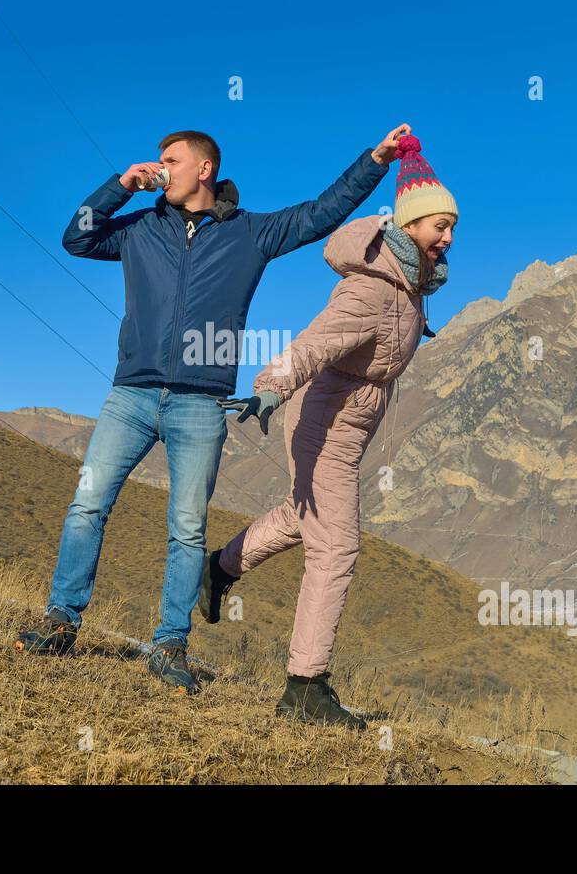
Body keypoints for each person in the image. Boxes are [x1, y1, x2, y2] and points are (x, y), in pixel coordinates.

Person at [15, 125, 412, 695]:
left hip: (200, 405)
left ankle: (169, 644)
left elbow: (322, 214)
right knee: (87, 506)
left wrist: (375, 160)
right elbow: (76, 238)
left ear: (203, 170)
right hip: (130, 394)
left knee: (186, 529)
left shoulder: (250, 234)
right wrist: (120, 186)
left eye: (169, 161)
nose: (160, 168)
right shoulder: (139, 228)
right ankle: (60, 621)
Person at [201, 135, 456, 726]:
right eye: (438, 226)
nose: (447, 238)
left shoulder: (409, 288)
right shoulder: (373, 289)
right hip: (321, 426)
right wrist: (271, 386)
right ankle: (304, 685)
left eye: (451, 228)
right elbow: (315, 345)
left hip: (345, 427)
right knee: (336, 547)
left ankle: (215, 570)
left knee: (302, 515)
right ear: (410, 225)